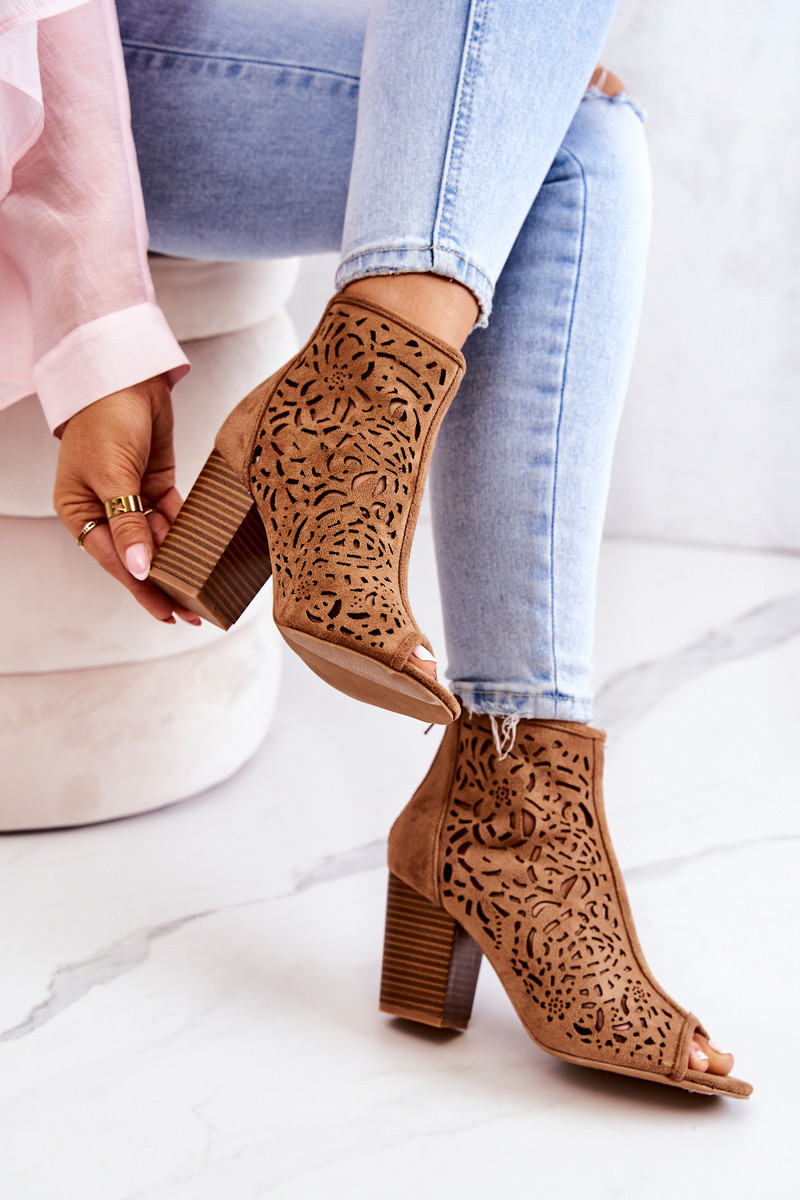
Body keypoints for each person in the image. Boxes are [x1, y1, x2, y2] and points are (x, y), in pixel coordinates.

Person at [0, 0, 750, 1096]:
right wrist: (94, 334)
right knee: (558, 144)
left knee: (578, 138)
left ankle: (510, 772)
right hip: (63, 70)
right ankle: (500, 815)